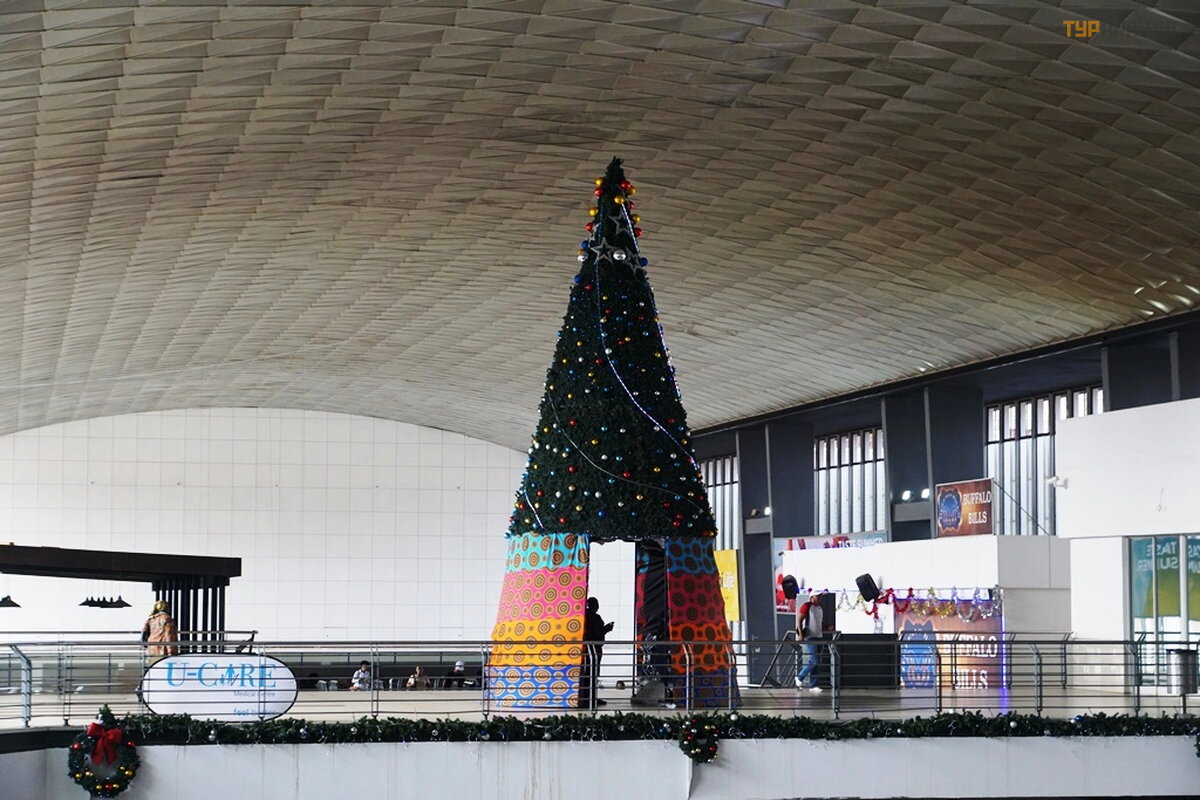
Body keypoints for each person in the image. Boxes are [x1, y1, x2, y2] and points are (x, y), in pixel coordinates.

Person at [579, 596, 614, 708]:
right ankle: (590, 698)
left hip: (589, 649)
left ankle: (588, 697)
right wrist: (607, 628)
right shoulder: (594, 617)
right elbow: (598, 632)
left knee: (588, 674)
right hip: (594, 649)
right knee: (592, 674)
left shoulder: (584, 616)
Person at [796, 593, 824, 692]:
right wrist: (801, 634)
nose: (820, 598)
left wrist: (826, 627)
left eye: (820, 597)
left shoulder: (820, 608)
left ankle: (814, 685)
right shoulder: (807, 606)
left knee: (817, 662)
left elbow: (819, 622)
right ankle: (800, 677)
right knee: (813, 660)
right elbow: (800, 620)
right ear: (812, 597)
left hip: (819, 636)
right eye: (818, 596)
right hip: (810, 637)